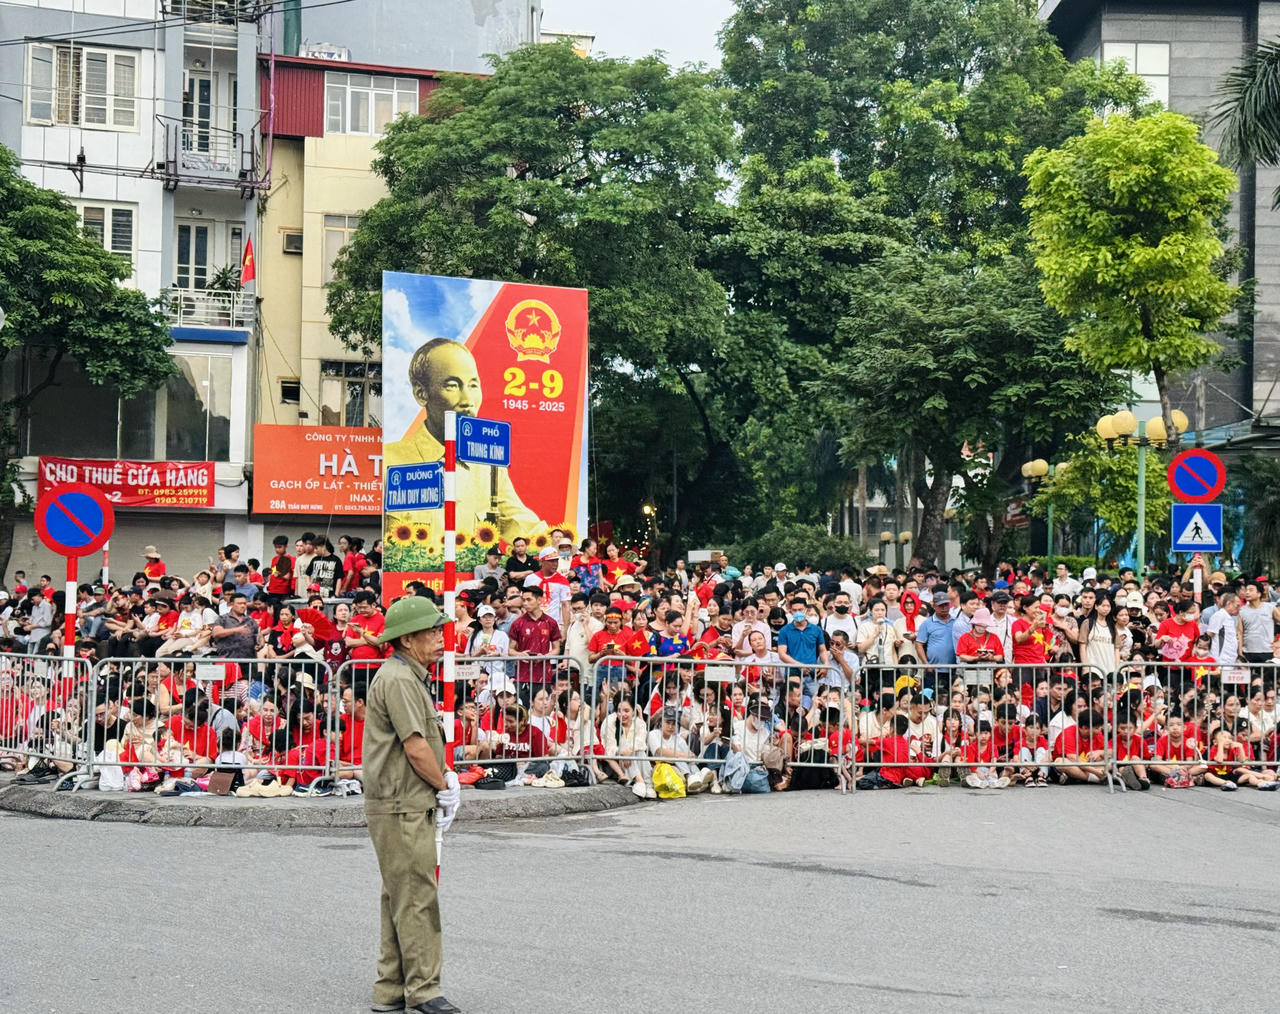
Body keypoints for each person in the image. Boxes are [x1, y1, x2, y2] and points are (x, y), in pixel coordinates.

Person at [362, 595, 462, 1014]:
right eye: (432, 631)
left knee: (399, 896)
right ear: (406, 640)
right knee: (418, 896)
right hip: (403, 802)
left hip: (401, 800)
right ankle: (424, 990)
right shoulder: (401, 679)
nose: (440, 638)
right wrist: (443, 785)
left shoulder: (406, 674)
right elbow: (416, 747)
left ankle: (390, 988)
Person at [384, 338, 542, 540]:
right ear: (421, 393)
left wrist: (562, 545)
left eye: (473, 385)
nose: (467, 400)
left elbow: (520, 524)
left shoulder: (488, 467)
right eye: (452, 385)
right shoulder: (391, 462)